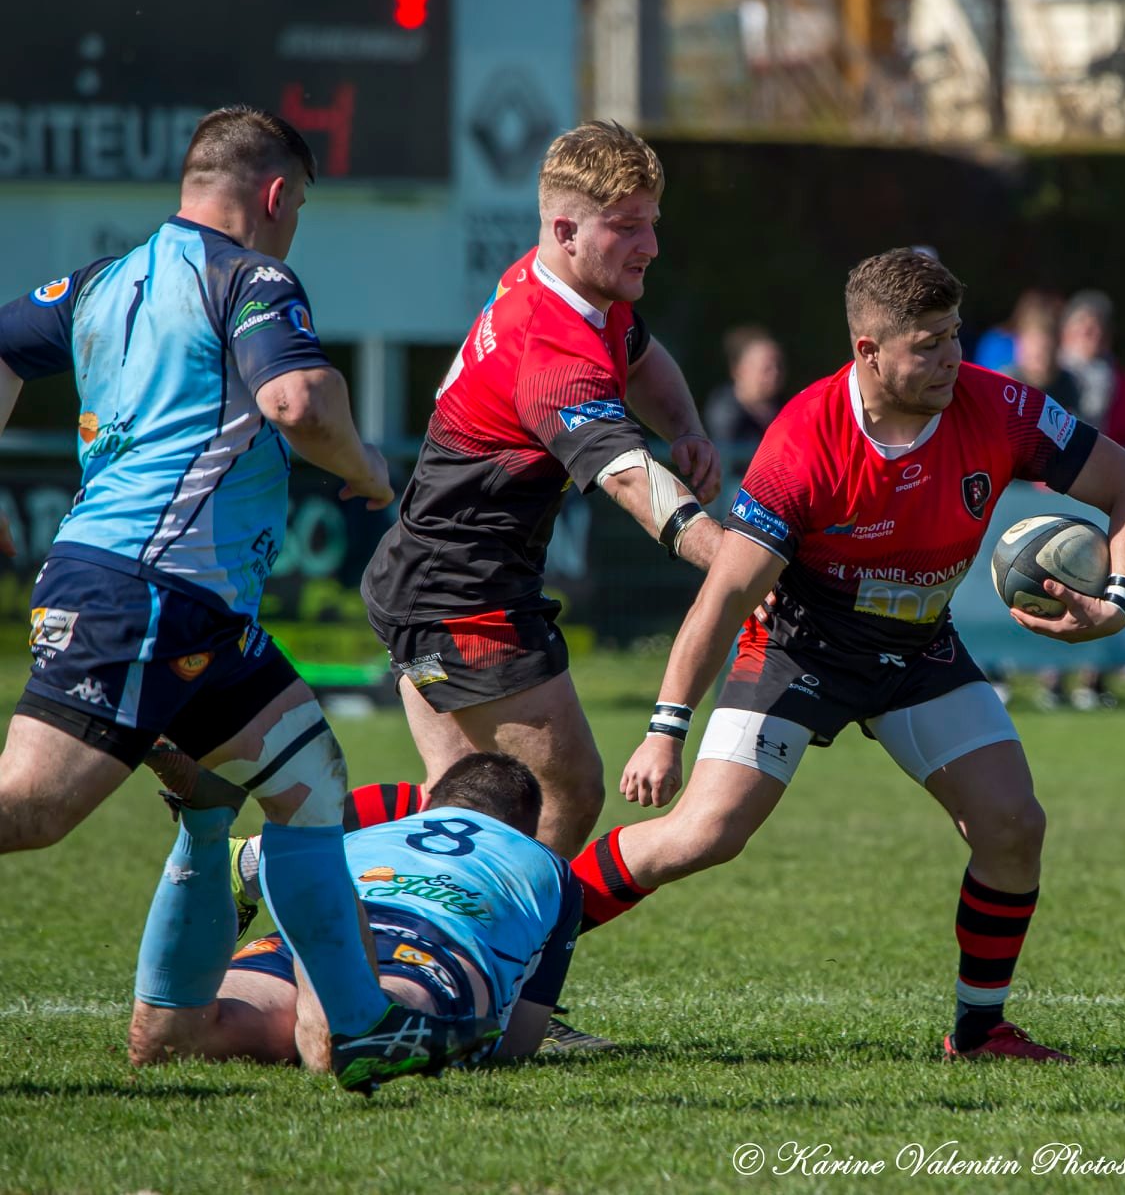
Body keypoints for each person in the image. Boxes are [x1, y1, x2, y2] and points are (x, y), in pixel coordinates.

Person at [571, 249, 1125, 1061]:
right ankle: (512, 940)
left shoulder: (1002, 407)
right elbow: (726, 595)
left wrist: (1117, 602)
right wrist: (664, 727)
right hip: (797, 646)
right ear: (868, 351)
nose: (951, 358)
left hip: (916, 648)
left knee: (1012, 825)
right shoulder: (805, 440)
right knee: (702, 834)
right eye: (927, 344)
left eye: (955, 335)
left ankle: (980, 1030)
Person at [0, 105, 489, 1092]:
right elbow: (296, 401)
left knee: (308, 781)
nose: (295, 223)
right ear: (274, 195)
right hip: (147, 593)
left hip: (196, 613)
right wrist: (364, 468)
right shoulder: (251, 276)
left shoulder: (100, 280)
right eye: (300, 204)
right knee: (35, 808)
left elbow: (5, 345)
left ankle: (357, 1026)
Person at [361, 120, 723, 856]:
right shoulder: (554, 347)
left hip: (436, 580)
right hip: (462, 597)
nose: (649, 246)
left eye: (651, 224)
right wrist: (731, 558)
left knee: (464, 795)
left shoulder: (580, 290)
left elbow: (643, 358)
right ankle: (502, 950)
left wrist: (686, 427)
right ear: (564, 229)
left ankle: (282, 855)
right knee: (564, 790)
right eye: (626, 228)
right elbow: (627, 478)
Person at [129, 752, 580, 1078]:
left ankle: (204, 828)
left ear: (427, 807)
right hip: (431, 952)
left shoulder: (378, 830)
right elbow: (519, 1043)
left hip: (309, 930)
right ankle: (343, 996)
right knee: (340, 1048)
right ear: (525, 829)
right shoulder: (549, 866)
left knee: (170, 1043)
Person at [1059, 290, 1125, 450]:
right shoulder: (1047, 375)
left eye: (1096, 325)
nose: (1089, 331)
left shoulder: (1123, 382)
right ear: (1065, 331)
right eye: (1081, 323)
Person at [704, 325, 787, 448]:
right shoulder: (724, 414)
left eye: (779, 366)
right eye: (766, 368)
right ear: (737, 369)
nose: (775, 373)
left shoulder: (786, 408)